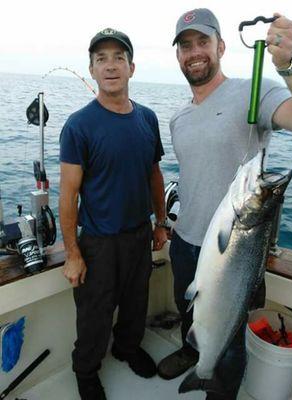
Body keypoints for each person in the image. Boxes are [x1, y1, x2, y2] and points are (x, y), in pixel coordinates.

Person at [157, 8, 292, 400]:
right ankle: (192, 352)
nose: (194, 52)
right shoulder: (178, 117)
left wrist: (291, 64)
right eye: (185, 46)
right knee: (189, 310)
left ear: (221, 46)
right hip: (185, 239)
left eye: (203, 42)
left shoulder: (254, 90)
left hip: (236, 252)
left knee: (230, 340)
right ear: (178, 56)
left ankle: (217, 388)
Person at [59, 27, 168, 400]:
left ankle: (126, 348)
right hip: (99, 242)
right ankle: (85, 371)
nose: (110, 66)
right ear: (91, 69)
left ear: (131, 67)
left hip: (139, 234)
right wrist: (72, 253)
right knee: (94, 315)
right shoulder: (78, 125)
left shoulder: (148, 119)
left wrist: (161, 222)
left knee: (137, 301)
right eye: (101, 59)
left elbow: (154, 174)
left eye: (118, 58)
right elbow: (68, 194)